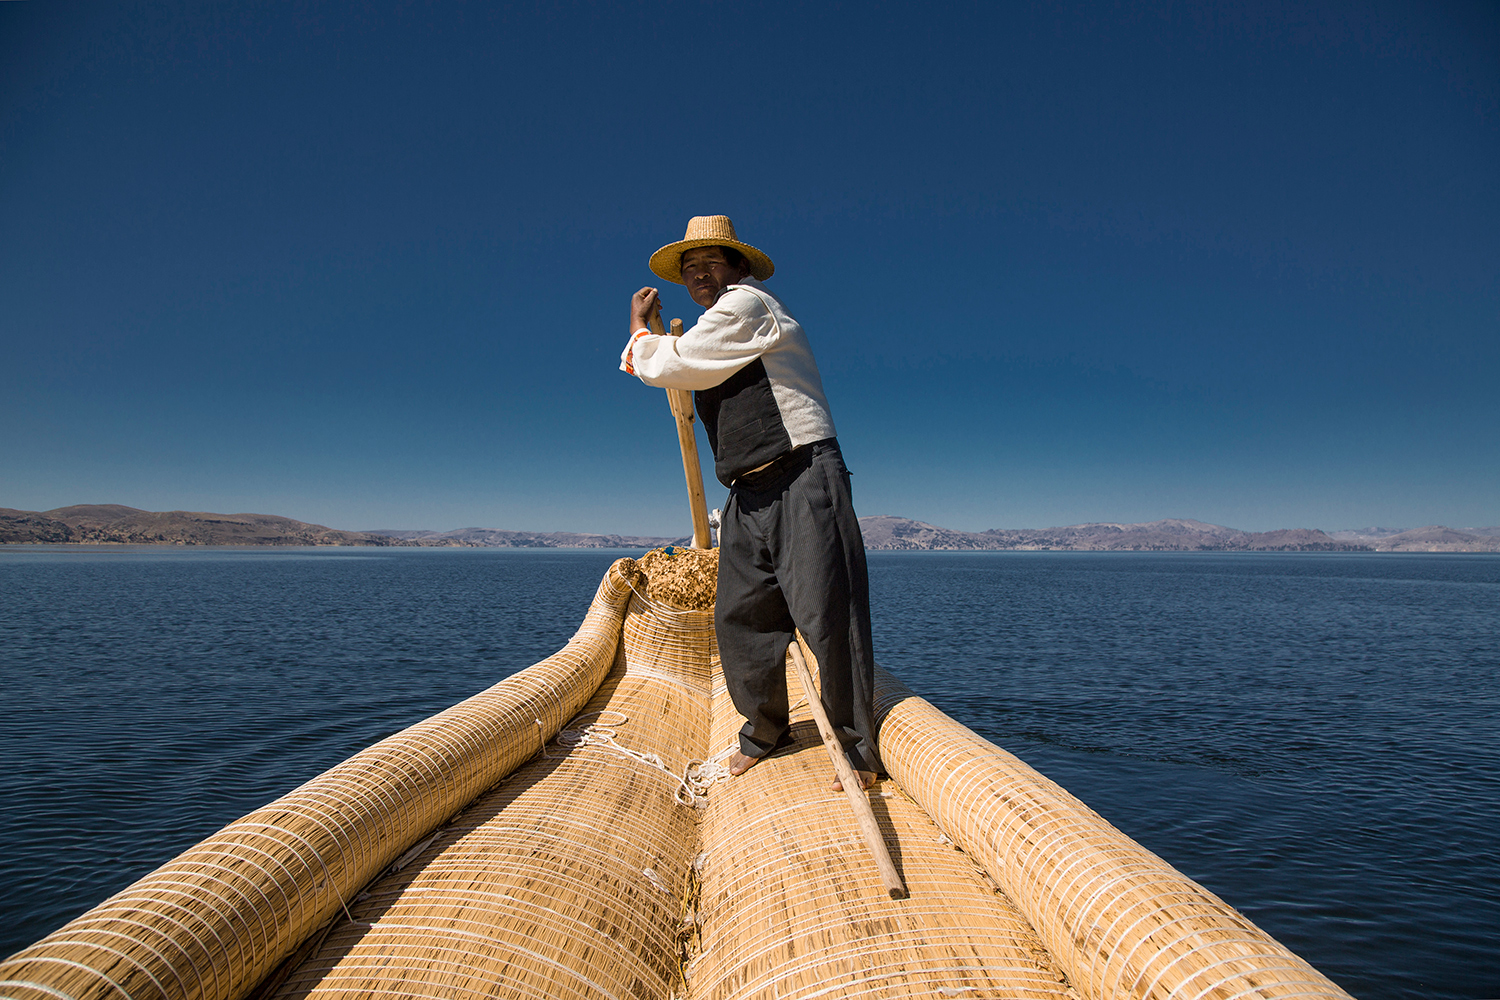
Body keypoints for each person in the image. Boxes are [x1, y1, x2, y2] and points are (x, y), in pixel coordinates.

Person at [620, 215, 879, 791]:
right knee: (741, 617)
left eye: (711, 262)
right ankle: (765, 732)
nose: (700, 275)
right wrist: (666, 348)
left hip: (803, 477)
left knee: (826, 614)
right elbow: (681, 368)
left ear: (737, 268)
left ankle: (856, 749)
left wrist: (641, 331)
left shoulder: (748, 306)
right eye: (690, 269)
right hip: (745, 491)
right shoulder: (713, 334)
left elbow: (670, 363)